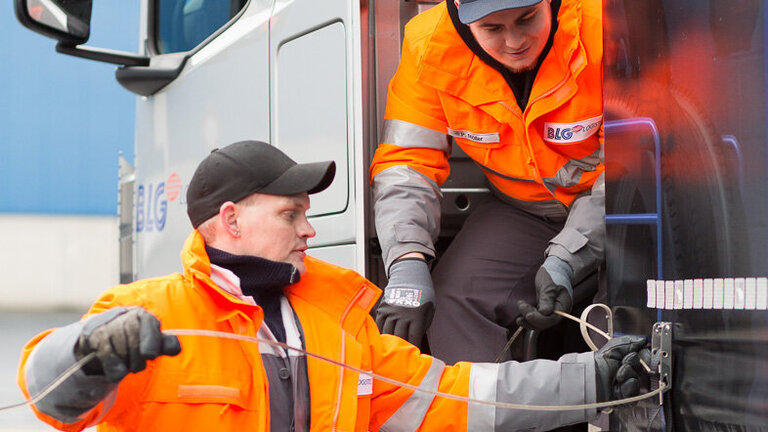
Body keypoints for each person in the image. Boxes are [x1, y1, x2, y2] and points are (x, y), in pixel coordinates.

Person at [18, 141, 644, 432]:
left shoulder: (340, 323)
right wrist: (85, 353)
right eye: (290, 215)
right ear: (229, 220)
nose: (310, 231)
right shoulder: (145, 315)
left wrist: (590, 380)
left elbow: (461, 395)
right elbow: (46, 396)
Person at [370, 0, 605, 363]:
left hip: (618, 206)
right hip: (522, 208)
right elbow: (408, 162)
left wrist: (566, 257)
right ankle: (490, 415)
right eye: (492, 28)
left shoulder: (604, 22)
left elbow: (639, 163)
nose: (514, 42)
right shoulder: (429, 44)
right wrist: (407, 262)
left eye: (527, 19)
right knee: (454, 296)